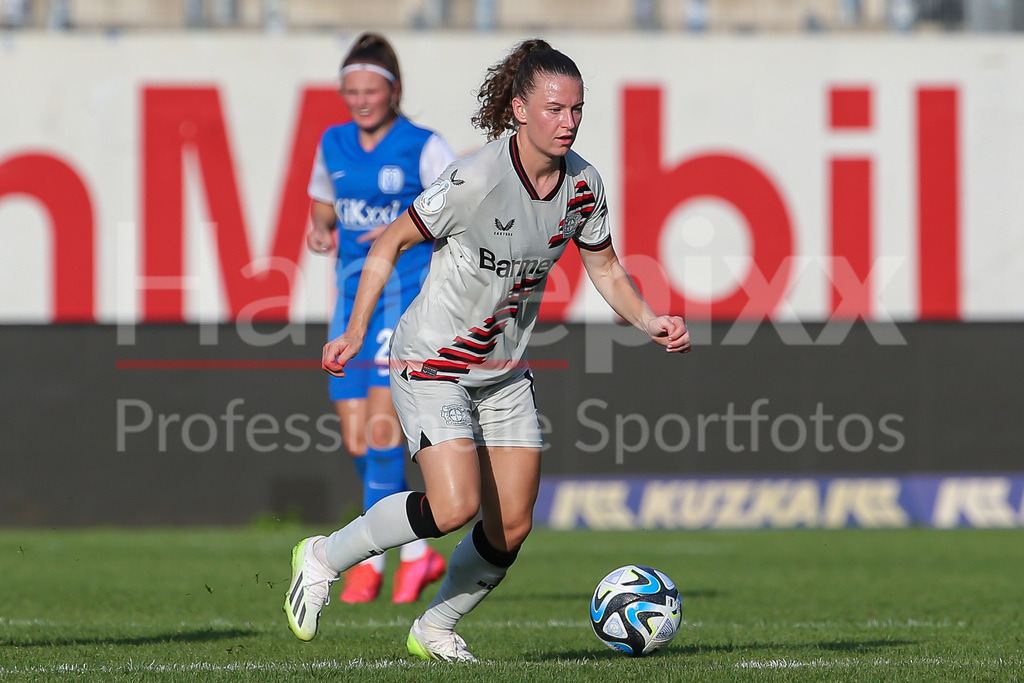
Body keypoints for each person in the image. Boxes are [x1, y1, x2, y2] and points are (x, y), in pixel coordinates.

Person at [285, 38, 691, 661]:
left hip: (502, 373)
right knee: (455, 506)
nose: (568, 122)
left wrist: (649, 319)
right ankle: (322, 557)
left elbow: (606, 266)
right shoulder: (476, 177)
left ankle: (435, 627)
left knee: (512, 524)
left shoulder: (583, 184)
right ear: (520, 110)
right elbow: (389, 241)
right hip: (432, 363)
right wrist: (357, 329)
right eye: (554, 109)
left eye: (577, 109)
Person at [305, 32, 454, 604]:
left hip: (405, 298)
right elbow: (324, 205)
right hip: (351, 300)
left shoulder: (424, 146)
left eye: (371, 91)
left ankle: (366, 564)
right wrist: (321, 228)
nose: (361, 101)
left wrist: (399, 231)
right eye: (352, 92)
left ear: (393, 91)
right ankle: (417, 554)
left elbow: (460, 210)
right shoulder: (333, 143)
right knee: (357, 438)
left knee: (381, 430)